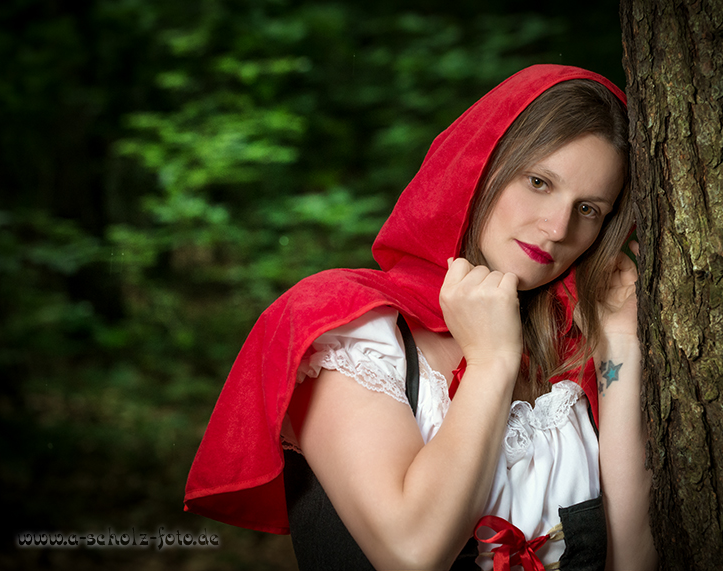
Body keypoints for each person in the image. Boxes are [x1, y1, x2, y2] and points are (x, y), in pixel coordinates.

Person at [184, 64, 657, 571]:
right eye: (539, 182)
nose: (558, 227)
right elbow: (412, 554)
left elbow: (634, 560)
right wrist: (491, 362)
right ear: (483, 165)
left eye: (588, 209)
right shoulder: (351, 331)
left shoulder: (572, 353)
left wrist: (620, 344)